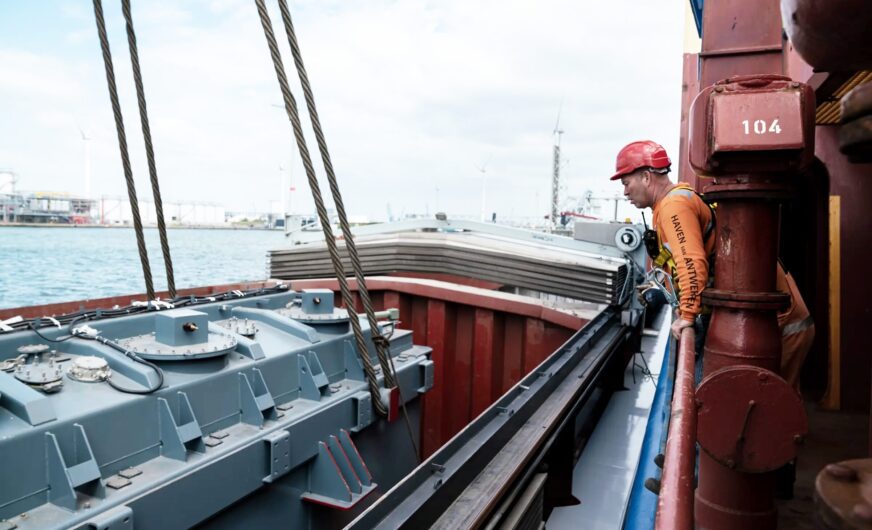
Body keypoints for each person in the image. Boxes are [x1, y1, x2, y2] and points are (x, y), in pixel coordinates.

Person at [611, 140, 814, 389]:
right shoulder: (672, 202)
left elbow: (691, 262)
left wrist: (687, 315)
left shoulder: (673, 206)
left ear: (645, 177)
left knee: (770, 411)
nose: (625, 192)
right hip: (767, 319)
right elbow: (677, 260)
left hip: (781, 323)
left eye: (626, 183)